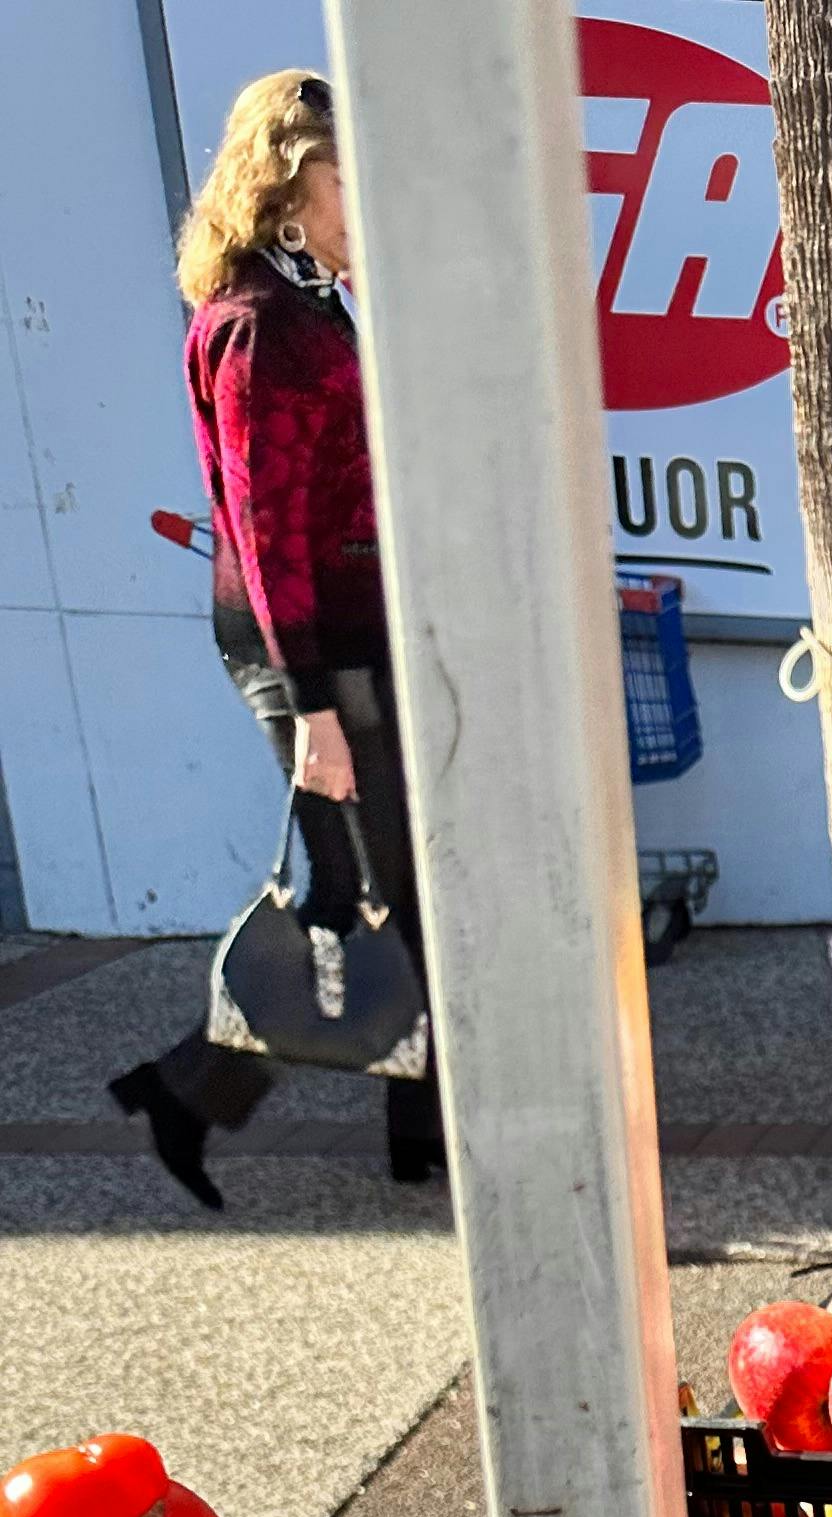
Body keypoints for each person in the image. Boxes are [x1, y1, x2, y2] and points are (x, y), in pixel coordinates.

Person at [111, 68, 443, 1209]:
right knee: (377, 888)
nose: (366, 196)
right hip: (307, 649)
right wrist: (313, 710)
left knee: (368, 884)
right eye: (347, 176)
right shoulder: (258, 323)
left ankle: (406, 1128)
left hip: (344, 634)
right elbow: (265, 532)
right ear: (289, 189)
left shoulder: (313, 301)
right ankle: (199, 1091)